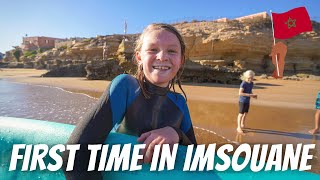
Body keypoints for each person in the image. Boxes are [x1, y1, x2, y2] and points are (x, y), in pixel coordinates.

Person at [63, 23, 197, 179]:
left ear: (181, 60)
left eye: (172, 51)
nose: (162, 56)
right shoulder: (126, 86)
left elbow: (195, 153)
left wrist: (176, 133)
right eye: (153, 49)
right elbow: (74, 154)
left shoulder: (179, 101)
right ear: (139, 57)